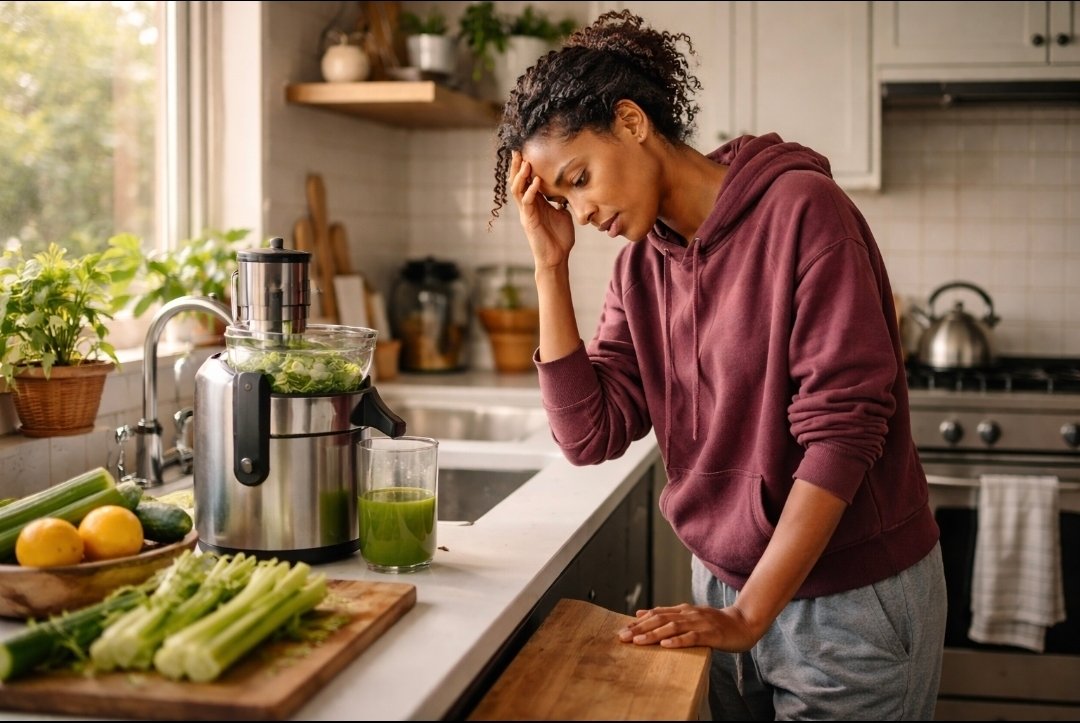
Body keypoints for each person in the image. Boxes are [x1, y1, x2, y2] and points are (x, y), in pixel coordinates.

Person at [490, 9, 947, 722]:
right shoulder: (641, 268)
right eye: (561, 196)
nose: (577, 210)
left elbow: (843, 432)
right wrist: (550, 267)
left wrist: (752, 614)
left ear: (633, 122)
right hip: (721, 592)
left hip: (847, 600)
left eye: (579, 178)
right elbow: (591, 434)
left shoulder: (804, 211)